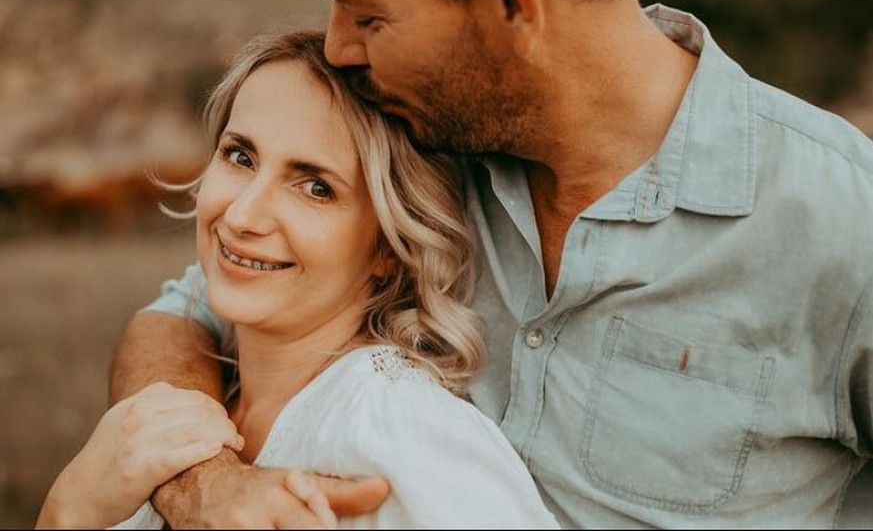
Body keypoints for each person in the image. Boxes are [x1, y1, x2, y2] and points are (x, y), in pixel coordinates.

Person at [108, 0, 873, 528]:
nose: (340, 47)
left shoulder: (842, 219)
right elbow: (184, 315)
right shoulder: (415, 148)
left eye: (370, 15)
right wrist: (197, 481)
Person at [37, 32, 560, 529]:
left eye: (314, 187)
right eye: (240, 156)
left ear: (388, 247)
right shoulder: (176, 406)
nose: (243, 216)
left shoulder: (402, 436)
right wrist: (66, 512)